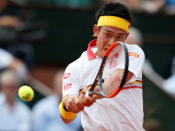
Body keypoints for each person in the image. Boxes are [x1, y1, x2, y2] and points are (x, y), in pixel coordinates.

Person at [59, 2, 145, 131]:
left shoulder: (133, 52)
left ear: (126, 37)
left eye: (119, 37)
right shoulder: (75, 67)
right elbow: (67, 117)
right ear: (96, 30)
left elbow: (116, 80)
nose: (112, 42)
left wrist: (90, 93)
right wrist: (71, 104)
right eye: (107, 34)